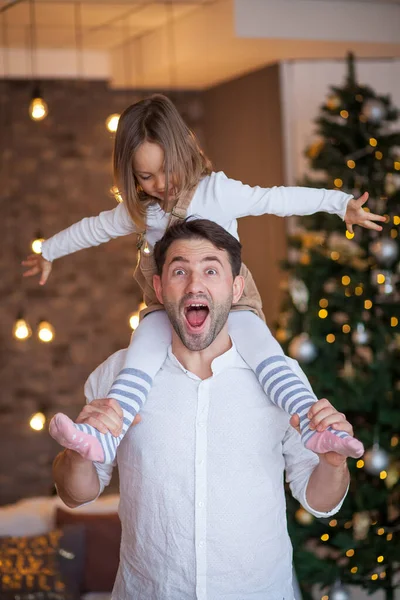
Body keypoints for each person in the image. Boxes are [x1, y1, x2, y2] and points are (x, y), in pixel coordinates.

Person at [23, 94, 381, 463]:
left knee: (264, 350)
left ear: (183, 153)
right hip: (168, 305)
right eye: (146, 176)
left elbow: (276, 199)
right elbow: (92, 228)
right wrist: (49, 250)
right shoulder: (143, 212)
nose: (161, 183)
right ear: (131, 177)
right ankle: (105, 436)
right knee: (140, 353)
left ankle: (314, 425)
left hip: (232, 303)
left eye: (167, 169)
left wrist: (340, 204)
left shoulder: (217, 191)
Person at [53, 218, 354, 599]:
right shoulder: (118, 376)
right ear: (160, 288)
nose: (195, 284)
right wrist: (77, 455)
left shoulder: (283, 381)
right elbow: (76, 494)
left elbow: (319, 500)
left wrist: (333, 464)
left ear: (236, 287)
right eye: (180, 271)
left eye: (211, 270)